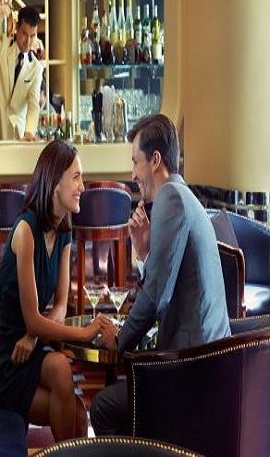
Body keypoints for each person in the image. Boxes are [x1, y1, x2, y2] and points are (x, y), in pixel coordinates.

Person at [89, 113, 230, 436]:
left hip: (193, 368)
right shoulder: (181, 195)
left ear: (155, 160)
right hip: (203, 360)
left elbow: (155, 296)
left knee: (103, 407)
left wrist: (119, 340)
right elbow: (166, 283)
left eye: (135, 162)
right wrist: (144, 252)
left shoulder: (170, 197)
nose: (133, 174)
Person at [0, 139, 108, 440]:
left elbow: (60, 304)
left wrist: (33, 337)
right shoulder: (26, 230)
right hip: (7, 356)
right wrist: (85, 333)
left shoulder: (63, 229)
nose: (82, 186)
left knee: (65, 379)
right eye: (76, 177)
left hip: (30, 345)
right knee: (75, 409)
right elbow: (32, 319)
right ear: (55, 182)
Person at [0, 0, 45, 141]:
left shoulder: (36, 68)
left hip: (17, 135)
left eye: (32, 36)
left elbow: (33, 105)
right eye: (24, 34)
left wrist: (29, 132)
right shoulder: (2, 48)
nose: (28, 41)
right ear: (17, 28)